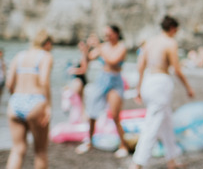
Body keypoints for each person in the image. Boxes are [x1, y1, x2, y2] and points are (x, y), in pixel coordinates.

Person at [130, 15, 194, 169]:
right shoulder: (170, 43)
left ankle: (172, 160)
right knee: (152, 124)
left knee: (166, 121)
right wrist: (188, 87)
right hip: (160, 83)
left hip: (148, 80)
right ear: (173, 29)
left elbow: (140, 66)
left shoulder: (150, 42)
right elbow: (176, 69)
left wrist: (138, 88)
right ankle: (137, 163)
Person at [76, 25, 131, 157]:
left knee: (115, 115)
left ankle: (123, 145)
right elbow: (86, 62)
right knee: (92, 112)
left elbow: (113, 61)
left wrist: (98, 46)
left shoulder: (121, 47)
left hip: (115, 81)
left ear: (116, 34)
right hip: (102, 79)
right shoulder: (103, 46)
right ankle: (89, 142)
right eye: (105, 34)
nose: (106, 37)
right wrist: (85, 50)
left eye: (108, 34)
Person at [5, 29, 54, 169]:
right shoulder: (45, 56)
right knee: (40, 151)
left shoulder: (19, 55)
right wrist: (48, 106)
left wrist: (18, 96)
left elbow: (9, 83)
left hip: (16, 102)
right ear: (48, 43)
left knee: (17, 149)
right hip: (36, 102)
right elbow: (44, 81)